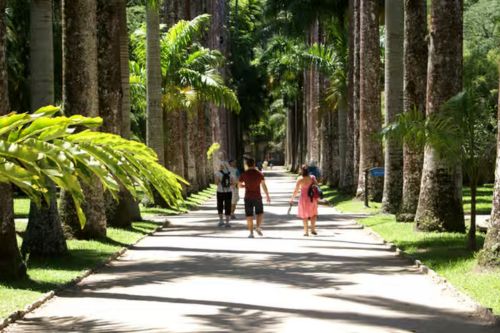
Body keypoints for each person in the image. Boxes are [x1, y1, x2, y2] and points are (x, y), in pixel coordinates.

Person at [239, 158, 271, 238]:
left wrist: (245, 186)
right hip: (257, 197)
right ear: (254, 164)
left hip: (248, 197)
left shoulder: (244, 174)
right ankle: (258, 226)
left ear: (246, 164)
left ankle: (251, 233)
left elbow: (239, 185)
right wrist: (267, 195)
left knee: (249, 215)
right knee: (259, 213)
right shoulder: (259, 174)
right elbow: (263, 185)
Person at [289, 164, 319, 236]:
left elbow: (296, 190)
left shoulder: (300, 179)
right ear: (308, 170)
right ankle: (313, 229)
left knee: (304, 215)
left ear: (301, 170)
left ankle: (306, 232)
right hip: (312, 198)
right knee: (313, 214)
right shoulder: (312, 177)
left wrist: (292, 199)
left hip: (303, 199)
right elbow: (317, 186)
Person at [214, 161, 235, 228]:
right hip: (228, 192)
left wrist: (220, 182)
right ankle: (227, 222)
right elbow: (233, 183)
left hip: (220, 191)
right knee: (228, 206)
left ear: (221, 166)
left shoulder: (217, 173)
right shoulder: (231, 173)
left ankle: (221, 221)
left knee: (220, 205)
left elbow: (216, 183)